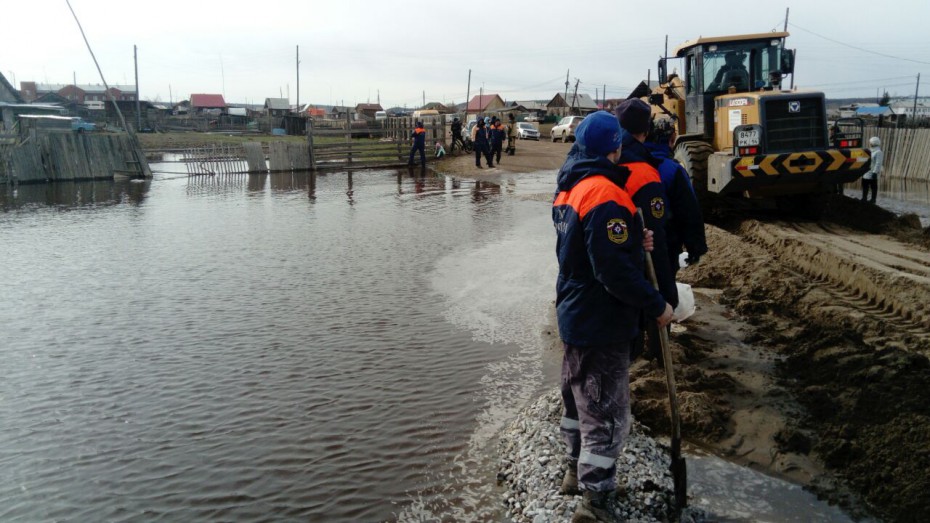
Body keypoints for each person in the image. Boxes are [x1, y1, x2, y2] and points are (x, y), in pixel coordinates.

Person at [552, 110, 673, 522]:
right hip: (600, 320)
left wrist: (634, 242)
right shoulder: (606, 193)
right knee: (604, 413)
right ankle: (595, 502)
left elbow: (586, 254)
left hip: (573, 313)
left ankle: (573, 471)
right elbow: (610, 270)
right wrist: (656, 305)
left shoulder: (570, 189)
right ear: (614, 148)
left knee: (575, 399)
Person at [615, 99, 677, 364]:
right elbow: (656, 234)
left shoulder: (599, 162)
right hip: (637, 259)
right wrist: (666, 291)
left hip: (607, 262)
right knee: (645, 307)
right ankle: (652, 355)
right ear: (645, 130)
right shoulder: (644, 172)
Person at [644, 116, 707, 281]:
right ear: (671, 139)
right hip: (666, 242)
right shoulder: (673, 170)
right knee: (665, 289)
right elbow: (689, 210)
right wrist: (695, 248)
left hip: (634, 242)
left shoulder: (628, 164)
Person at [862, 136, 883, 203]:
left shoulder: (878, 152)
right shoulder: (869, 151)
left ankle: (873, 199)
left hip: (873, 172)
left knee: (873, 186)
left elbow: (878, 163)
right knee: (865, 185)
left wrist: (875, 172)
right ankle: (864, 198)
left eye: (870, 142)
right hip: (866, 172)